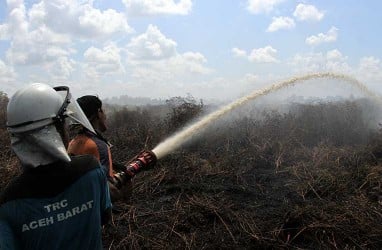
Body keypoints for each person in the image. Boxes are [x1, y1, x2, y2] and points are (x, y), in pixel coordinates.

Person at [0, 83, 112, 249]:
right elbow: (104, 217)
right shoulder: (91, 170)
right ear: (57, 129)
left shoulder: (8, 202)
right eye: (64, 124)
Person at [67, 95, 156, 200]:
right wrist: (126, 182)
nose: (105, 116)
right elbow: (108, 191)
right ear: (98, 113)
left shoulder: (73, 142)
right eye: (103, 111)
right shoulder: (98, 145)